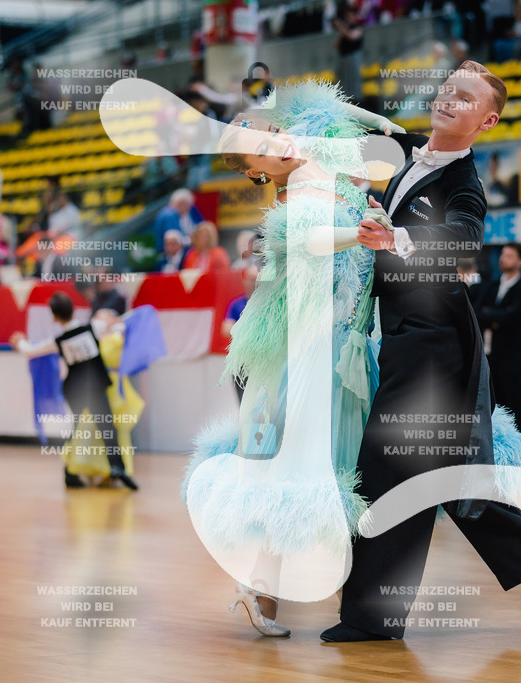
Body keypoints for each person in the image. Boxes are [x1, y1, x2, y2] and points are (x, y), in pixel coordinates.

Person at [325, 61, 521, 644]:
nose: (449, 99)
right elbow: (349, 127)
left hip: (436, 343)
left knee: (388, 467)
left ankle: (372, 617)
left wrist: (398, 238)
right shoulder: (407, 149)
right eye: (447, 89)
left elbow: (464, 236)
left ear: (487, 121)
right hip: (405, 333)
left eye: (465, 97)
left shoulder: (465, 183)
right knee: (446, 478)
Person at [183, 79, 401, 636]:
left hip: (348, 342)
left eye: (274, 131)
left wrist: (381, 127)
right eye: (262, 149)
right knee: (311, 464)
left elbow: (341, 115)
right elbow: (309, 242)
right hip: (315, 350)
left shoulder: (318, 162)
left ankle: (275, 592)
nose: (277, 143)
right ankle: (281, 592)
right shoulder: (296, 194)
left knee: (324, 465)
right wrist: (360, 232)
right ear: (257, 173)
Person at [11, 292, 139, 491]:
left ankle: (72, 473)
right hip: (95, 386)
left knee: (78, 430)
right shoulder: (92, 327)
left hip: (75, 390)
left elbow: (30, 351)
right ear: (73, 309)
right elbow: (119, 324)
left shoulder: (58, 340)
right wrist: (117, 323)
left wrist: (19, 341)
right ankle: (116, 467)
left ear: (54, 317)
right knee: (106, 427)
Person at [59, 307, 165, 484]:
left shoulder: (119, 333)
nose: (98, 319)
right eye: (96, 317)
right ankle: (83, 469)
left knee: (113, 428)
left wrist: (118, 325)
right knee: (87, 428)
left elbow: (141, 317)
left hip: (114, 386)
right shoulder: (92, 336)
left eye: (102, 316)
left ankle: (114, 469)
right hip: (96, 387)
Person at [475, 242, 521, 430]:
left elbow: (513, 317)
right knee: (496, 401)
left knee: (516, 402)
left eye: (509, 256)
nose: (503, 259)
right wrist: (496, 317)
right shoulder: (493, 285)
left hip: (514, 354)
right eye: (503, 254)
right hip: (492, 353)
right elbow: (478, 312)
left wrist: (493, 315)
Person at [222, 265, 259, 403]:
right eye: (251, 279)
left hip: (261, 361)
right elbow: (225, 329)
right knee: (244, 402)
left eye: (256, 279)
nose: (253, 283)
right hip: (241, 362)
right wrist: (251, 330)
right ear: (245, 281)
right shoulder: (236, 305)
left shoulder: (268, 306)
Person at [152, 189, 201, 255]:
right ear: (181, 203)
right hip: (169, 255)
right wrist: (191, 239)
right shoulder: (170, 215)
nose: (188, 209)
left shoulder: (167, 212)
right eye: (188, 206)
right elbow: (174, 240)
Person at [333, 3, 365, 103]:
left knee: (353, 81)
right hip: (344, 58)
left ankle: (356, 101)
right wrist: (342, 30)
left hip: (353, 57)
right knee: (343, 82)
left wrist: (341, 27)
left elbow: (352, 36)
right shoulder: (345, 30)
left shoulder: (357, 27)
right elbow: (336, 46)